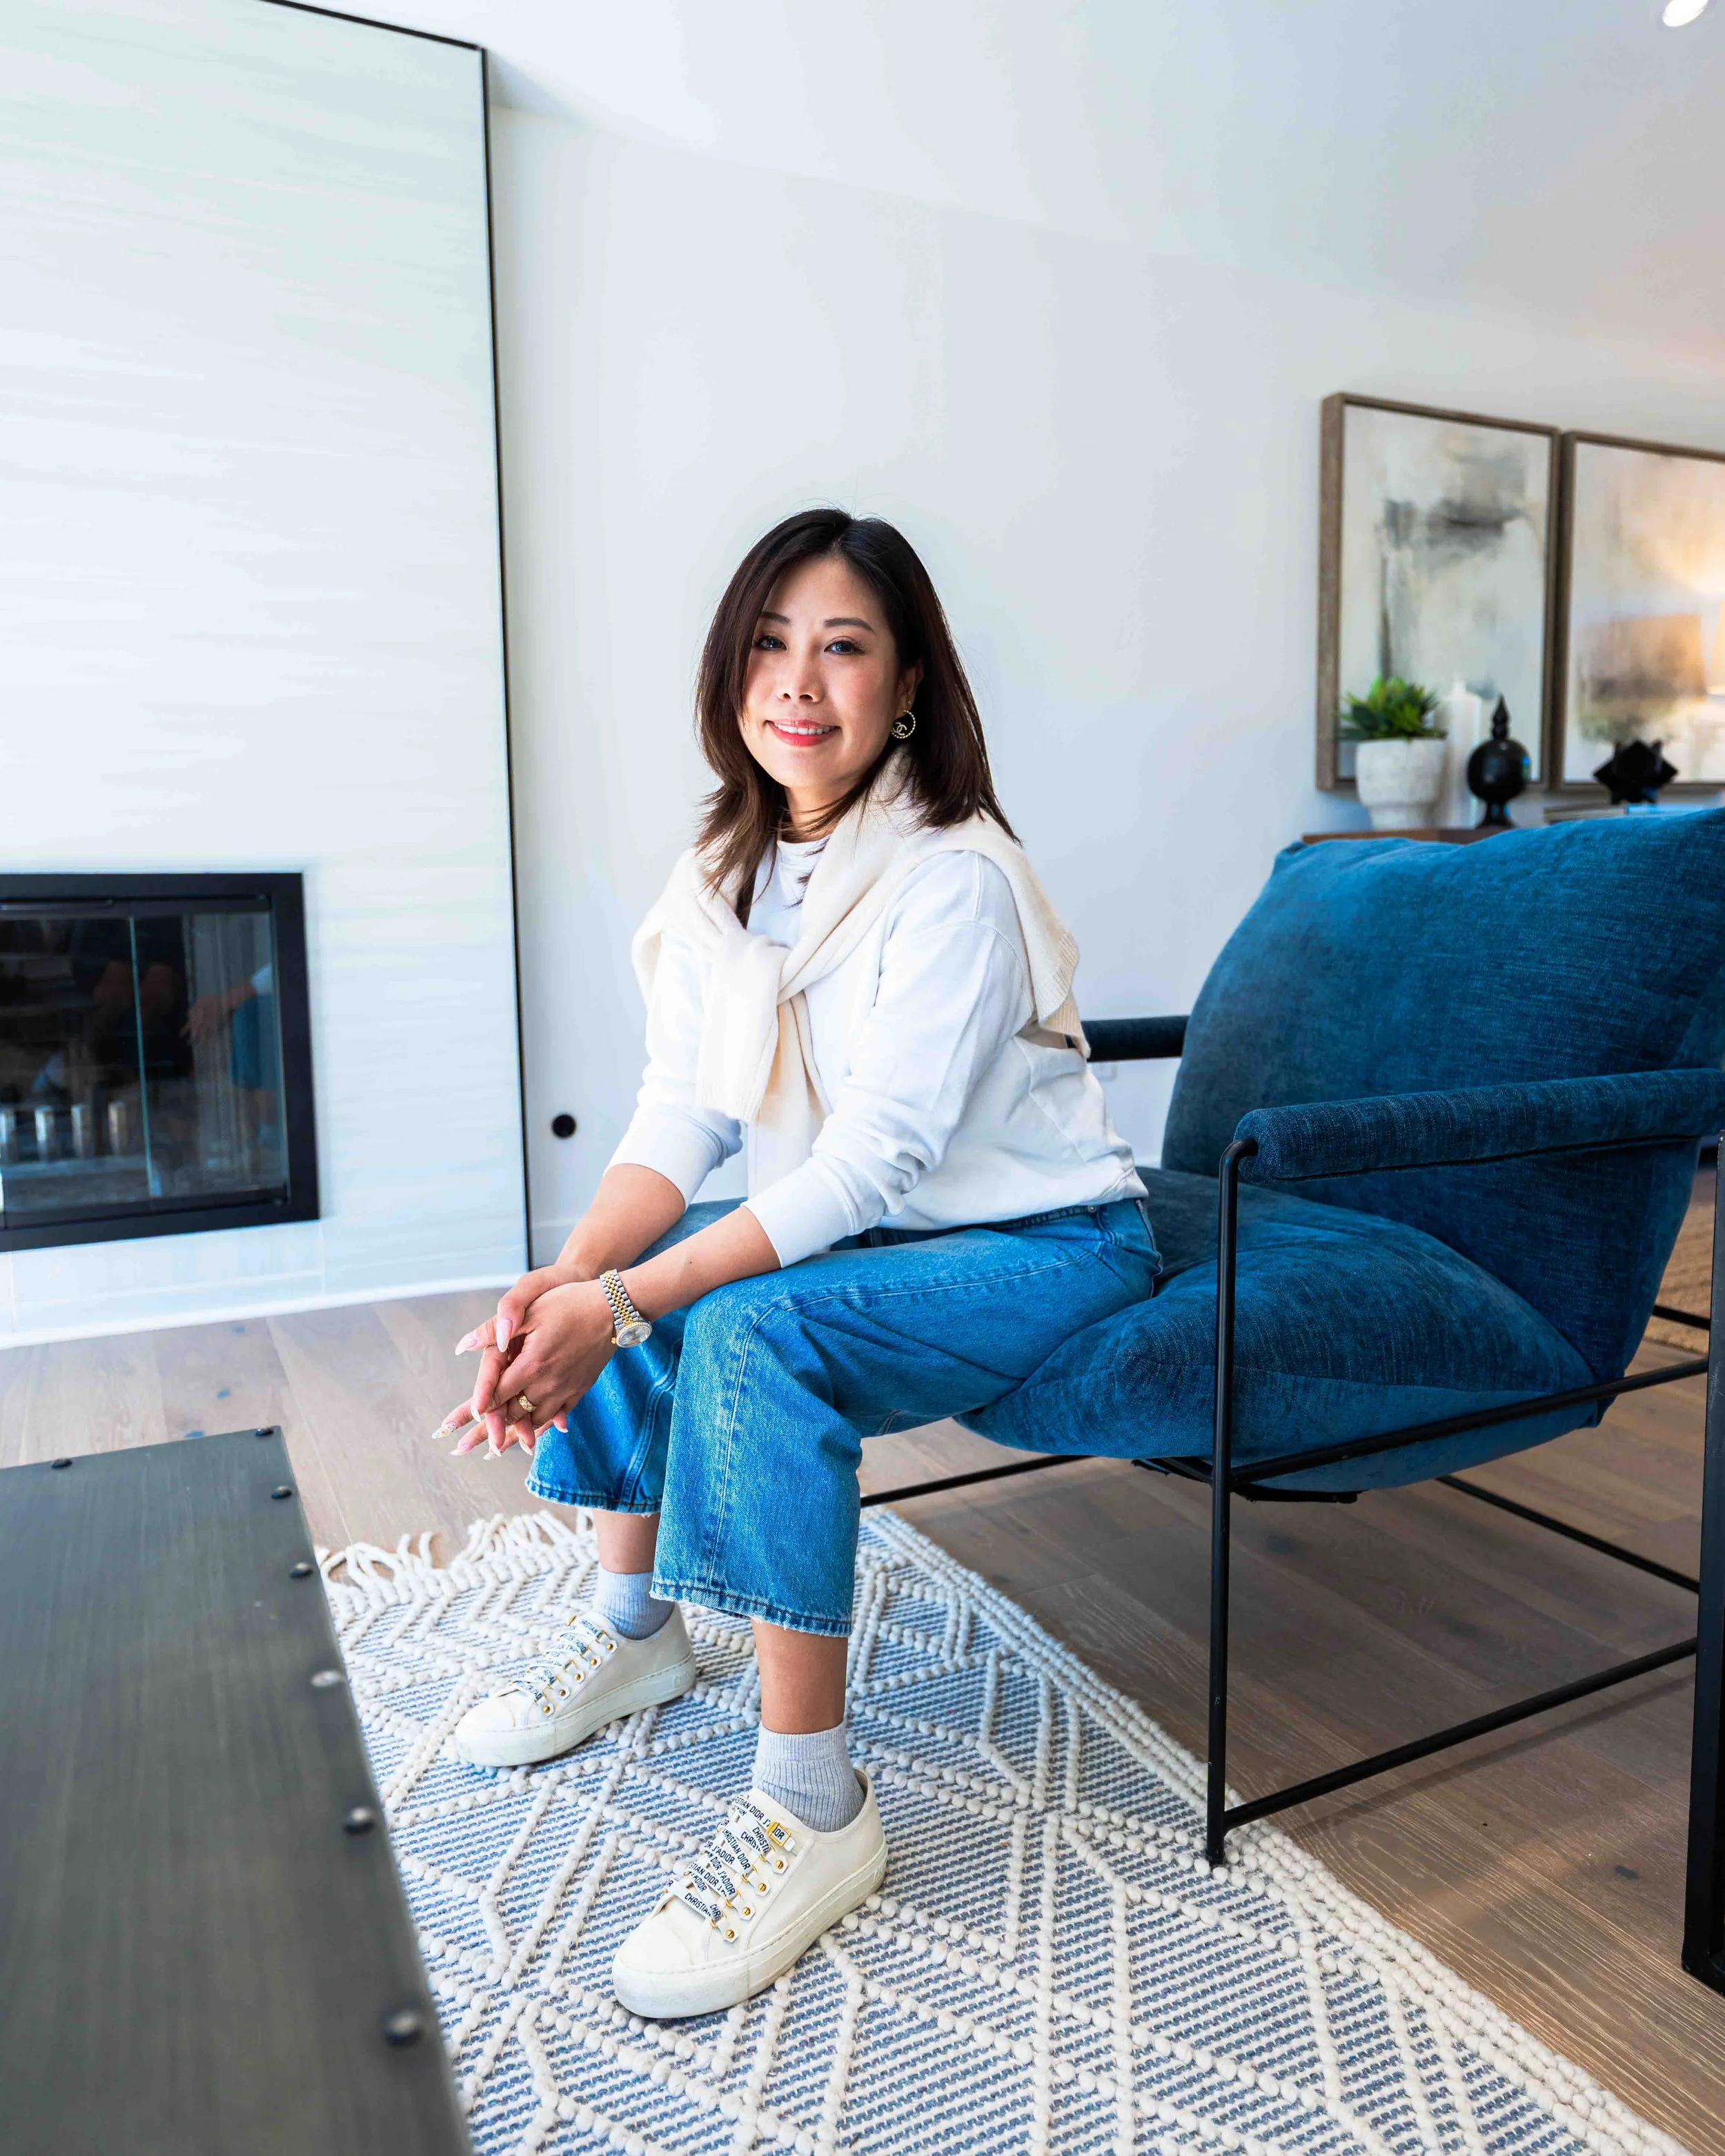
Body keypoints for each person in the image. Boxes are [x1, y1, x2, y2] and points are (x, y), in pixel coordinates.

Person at [437, 508, 1156, 2021]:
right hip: (890, 1239)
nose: (798, 680)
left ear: (907, 685)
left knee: (733, 1317)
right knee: (650, 1278)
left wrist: (630, 1296)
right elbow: (685, 1111)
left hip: (1043, 1245)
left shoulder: (948, 876)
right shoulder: (727, 867)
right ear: (730, 668)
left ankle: (815, 1805)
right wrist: (563, 1278)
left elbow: (872, 1161)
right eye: (771, 641)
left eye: (843, 645)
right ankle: (635, 1635)